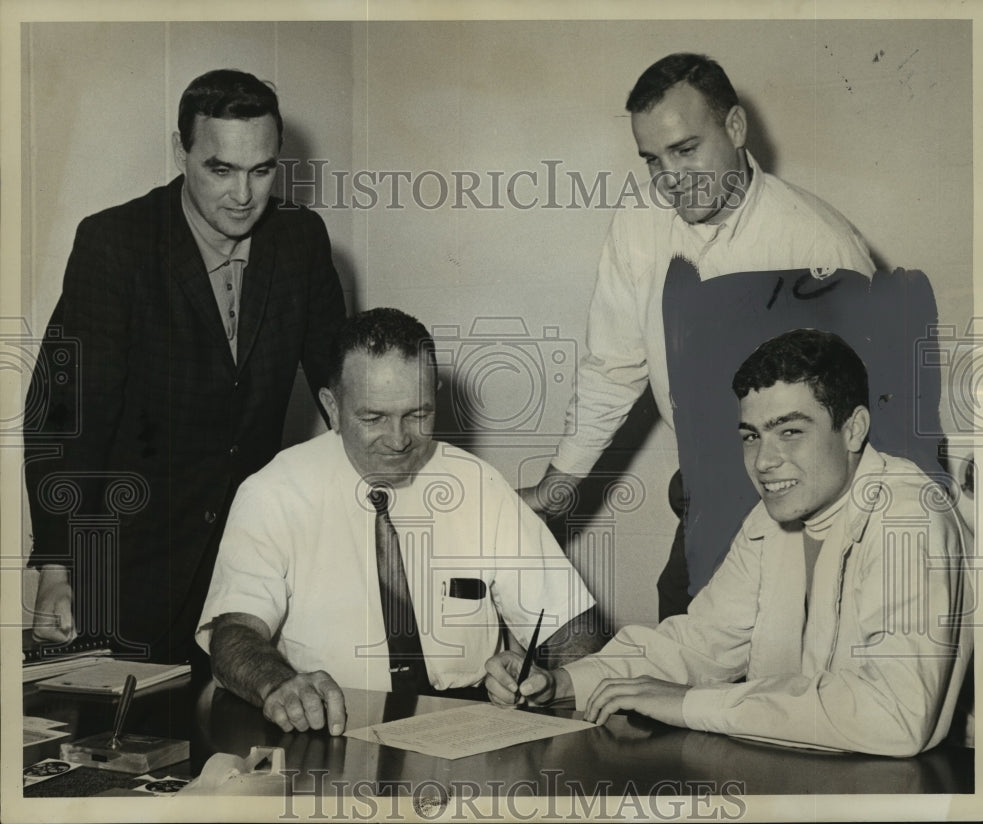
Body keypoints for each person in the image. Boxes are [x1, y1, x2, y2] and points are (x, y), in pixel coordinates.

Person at [489, 329, 971, 757]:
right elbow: (702, 642)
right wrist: (558, 683)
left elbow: (894, 716)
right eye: (751, 436)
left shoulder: (910, 518)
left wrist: (688, 702)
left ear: (854, 429)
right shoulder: (774, 515)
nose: (764, 461)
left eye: (790, 432)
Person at [519, 53, 882, 620]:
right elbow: (613, 367)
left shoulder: (820, 246)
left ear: (735, 128)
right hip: (705, 495)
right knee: (679, 641)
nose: (670, 180)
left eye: (686, 150)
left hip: (812, 501)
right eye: (653, 160)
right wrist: (559, 485)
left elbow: (872, 408)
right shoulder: (639, 225)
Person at [24, 69, 346, 663]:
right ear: (182, 152)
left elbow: (342, 389)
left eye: (262, 170)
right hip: (125, 563)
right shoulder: (115, 244)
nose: (243, 195)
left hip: (246, 566)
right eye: (220, 169)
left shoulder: (300, 241)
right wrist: (55, 562)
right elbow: (64, 415)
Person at [195, 308, 602, 735]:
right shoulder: (273, 493)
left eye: (418, 414)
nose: (399, 439)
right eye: (373, 418)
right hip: (332, 723)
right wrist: (279, 684)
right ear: (332, 408)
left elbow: (575, 628)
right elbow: (233, 634)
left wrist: (547, 683)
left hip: (464, 726)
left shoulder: (478, 485)